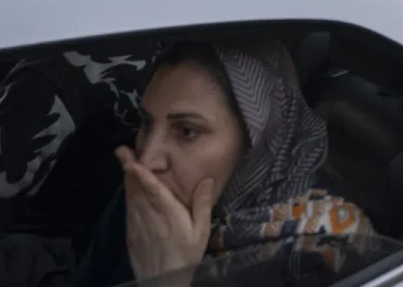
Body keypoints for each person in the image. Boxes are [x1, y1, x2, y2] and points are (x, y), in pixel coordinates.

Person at [72, 37, 383, 287]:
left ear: (256, 144)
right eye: (147, 124)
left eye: (186, 131)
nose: (148, 159)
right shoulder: (149, 194)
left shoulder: (322, 248)